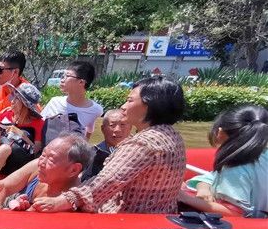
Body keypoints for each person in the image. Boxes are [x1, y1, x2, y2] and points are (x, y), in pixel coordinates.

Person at [32, 76, 186, 214]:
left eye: (130, 100)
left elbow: (107, 182)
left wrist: (61, 201)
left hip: (125, 222)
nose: (124, 106)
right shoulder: (173, 137)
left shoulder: (142, 144)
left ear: (148, 105)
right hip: (160, 218)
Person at [179, 105, 268, 217]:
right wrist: (203, 187)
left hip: (253, 228)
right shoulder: (263, 155)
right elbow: (212, 176)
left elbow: (234, 212)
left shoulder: (235, 169)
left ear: (220, 132)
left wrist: (183, 197)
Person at [41, 61, 103, 140]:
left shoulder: (96, 110)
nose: (62, 80)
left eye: (67, 76)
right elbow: (40, 124)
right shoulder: (54, 102)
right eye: (63, 76)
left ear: (81, 82)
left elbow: (89, 131)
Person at [82, 108, 133, 180]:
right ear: (103, 129)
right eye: (112, 125)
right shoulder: (91, 154)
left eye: (122, 124)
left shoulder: (138, 153)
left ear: (130, 127)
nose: (117, 130)